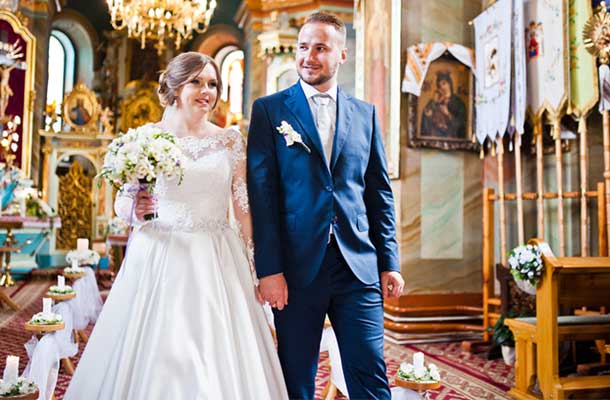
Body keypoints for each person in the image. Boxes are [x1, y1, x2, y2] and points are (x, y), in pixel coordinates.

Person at [64, 52, 288, 399]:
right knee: (159, 349)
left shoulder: (229, 140)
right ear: (175, 86)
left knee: (217, 352)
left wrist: (258, 269)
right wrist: (135, 210)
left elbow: (243, 209)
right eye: (196, 82)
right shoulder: (145, 138)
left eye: (212, 83)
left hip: (217, 257)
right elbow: (123, 201)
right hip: (160, 253)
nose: (206, 91)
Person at [247, 12, 404, 400]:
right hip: (297, 270)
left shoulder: (365, 114)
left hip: (358, 267)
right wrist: (270, 270)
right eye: (303, 47)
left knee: (370, 372)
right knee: (295, 378)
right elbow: (262, 198)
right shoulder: (269, 111)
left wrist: (389, 262)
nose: (308, 56)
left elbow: (378, 196)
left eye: (321, 48)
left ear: (341, 55)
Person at [420, 71, 466, 138]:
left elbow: (461, 124)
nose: (442, 87)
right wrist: (428, 116)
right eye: (439, 86)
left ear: (449, 84)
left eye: (444, 83)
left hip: (452, 139)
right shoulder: (434, 101)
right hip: (435, 138)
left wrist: (448, 114)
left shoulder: (459, 103)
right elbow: (425, 122)